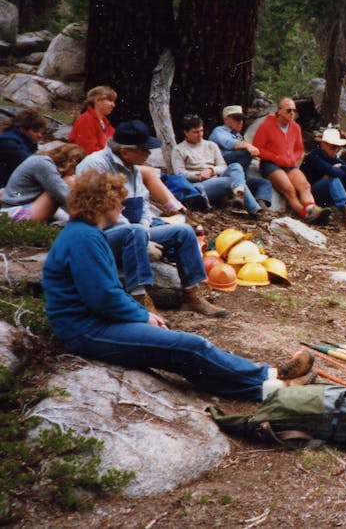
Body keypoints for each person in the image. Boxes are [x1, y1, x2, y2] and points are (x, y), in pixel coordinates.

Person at [41, 170, 316, 401]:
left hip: (92, 325)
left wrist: (140, 316)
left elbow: (105, 294)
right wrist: (142, 316)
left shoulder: (86, 234)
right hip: (87, 330)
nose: (123, 207)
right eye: (118, 201)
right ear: (101, 203)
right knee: (189, 346)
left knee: (184, 354)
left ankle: (268, 384)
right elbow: (103, 297)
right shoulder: (84, 239)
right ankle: (269, 380)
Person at [76, 120, 226, 317]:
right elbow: (102, 211)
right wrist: (140, 235)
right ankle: (140, 298)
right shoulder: (95, 165)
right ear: (126, 151)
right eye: (144, 149)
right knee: (135, 231)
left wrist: (144, 229)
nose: (148, 153)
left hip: (134, 231)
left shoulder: (134, 168)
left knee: (184, 232)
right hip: (100, 236)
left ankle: (191, 292)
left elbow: (143, 205)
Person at [68, 86, 190, 215]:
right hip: (92, 167)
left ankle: (183, 199)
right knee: (149, 172)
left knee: (152, 171)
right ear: (97, 100)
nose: (113, 105)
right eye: (110, 101)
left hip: (115, 162)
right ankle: (176, 207)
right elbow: (87, 150)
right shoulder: (85, 120)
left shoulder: (104, 122)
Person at [252, 97, 329, 224]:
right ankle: (305, 215)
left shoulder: (295, 127)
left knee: (305, 186)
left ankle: (313, 210)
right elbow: (257, 148)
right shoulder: (266, 126)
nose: (292, 113)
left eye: (294, 110)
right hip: (270, 165)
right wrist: (275, 157)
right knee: (289, 190)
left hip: (289, 165)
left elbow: (299, 149)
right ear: (279, 111)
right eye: (289, 110)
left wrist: (293, 158)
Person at [172, 114, 261, 215]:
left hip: (216, 178)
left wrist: (211, 170)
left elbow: (223, 166)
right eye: (195, 132)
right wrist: (199, 175)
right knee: (232, 180)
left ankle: (240, 197)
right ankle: (253, 209)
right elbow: (179, 173)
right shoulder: (179, 149)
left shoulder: (211, 145)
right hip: (199, 186)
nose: (200, 134)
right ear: (186, 132)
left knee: (236, 166)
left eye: (201, 130)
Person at [301, 127, 346, 228]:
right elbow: (333, 172)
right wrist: (342, 169)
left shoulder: (333, 158)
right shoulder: (314, 156)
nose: (336, 150)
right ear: (323, 144)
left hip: (327, 191)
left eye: (338, 147)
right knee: (333, 179)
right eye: (333, 147)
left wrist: (341, 166)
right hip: (312, 193)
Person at [1, 143, 85, 223]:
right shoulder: (44, 164)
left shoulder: (41, 160)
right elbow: (63, 195)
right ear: (71, 163)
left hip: (22, 206)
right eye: (75, 169)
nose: (74, 174)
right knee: (68, 182)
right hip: (15, 211)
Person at [208, 104, 272, 207]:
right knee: (245, 152)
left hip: (240, 173)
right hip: (224, 170)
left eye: (242, 119)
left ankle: (261, 204)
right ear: (226, 120)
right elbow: (229, 143)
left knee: (264, 183)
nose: (240, 122)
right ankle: (237, 195)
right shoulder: (219, 131)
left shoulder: (238, 135)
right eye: (237, 119)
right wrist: (247, 146)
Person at [0, 109, 46, 187]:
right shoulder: (9, 143)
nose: (39, 135)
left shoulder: (26, 142)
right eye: (35, 131)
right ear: (23, 129)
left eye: (41, 132)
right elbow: (30, 165)